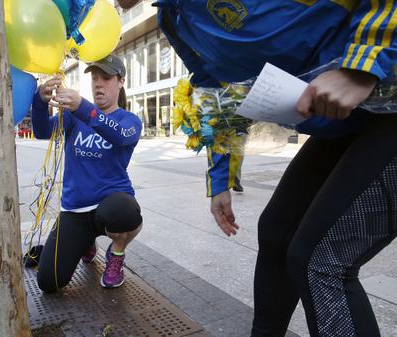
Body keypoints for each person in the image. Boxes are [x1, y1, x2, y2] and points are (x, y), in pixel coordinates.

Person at [116, 2, 397, 336]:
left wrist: (361, 64)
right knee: (276, 231)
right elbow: (214, 91)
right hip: (352, 120)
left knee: (320, 261)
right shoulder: (174, 19)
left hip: (385, 91)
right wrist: (220, 181)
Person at [32, 55, 143, 291]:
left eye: (106, 78)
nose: (98, 84)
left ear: (121, 81)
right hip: (75, 209)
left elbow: (120, 135)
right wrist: (40, 101)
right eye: (94, 78)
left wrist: (84, 107)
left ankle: (116, 254)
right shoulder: (73, 117)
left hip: (110, 204)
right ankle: (85, 243)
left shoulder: (130, 120)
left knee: (126, 212)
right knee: (48, 282)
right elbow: (42, 131)